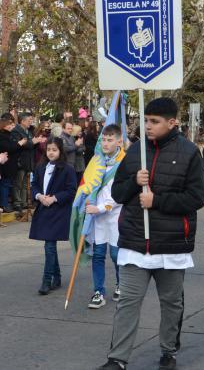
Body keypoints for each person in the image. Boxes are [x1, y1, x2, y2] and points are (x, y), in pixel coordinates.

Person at [97, 98, 204, 370]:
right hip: (135, 242)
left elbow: (196, 198)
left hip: (171, 245)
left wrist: (156, 200)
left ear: (172, 123)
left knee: (171, 303)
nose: (148, 126)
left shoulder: (190, 152)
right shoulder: (134, 153)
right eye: (146, 121)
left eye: (154, 122)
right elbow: (119, 193)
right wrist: (134, 182)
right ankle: (117, 358)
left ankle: (168, 352)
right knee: (128, 304)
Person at [29, 137, 77, 295]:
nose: (51, 152)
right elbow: (34, 185)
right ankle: (56, 277)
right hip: (44, 208)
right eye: (49, 149)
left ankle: (46, 280)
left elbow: (71, 190)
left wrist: (54, 198)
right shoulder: (41, 166)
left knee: (49, 245)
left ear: (60, 151)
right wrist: (39, 196)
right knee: (50, 245)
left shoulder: (67, 168)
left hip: (59, 210)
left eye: (54, 150)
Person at [86, 124, 125, 308]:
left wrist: (100, 208)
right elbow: (87, 183)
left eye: (110, 140)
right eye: (103, 139)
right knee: (98, 255)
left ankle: (121, 284)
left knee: (117, 255)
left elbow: (120, 195)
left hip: (115, 216)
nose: (106, 143)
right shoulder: (96, 160)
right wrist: (85, 198)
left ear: (119, 141)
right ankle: (98, 292)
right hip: (97, 217)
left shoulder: (124, 163)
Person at [12, 113, 43, 221]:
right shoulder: (16, 131)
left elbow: (31, 145)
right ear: (22, 121)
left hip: (28, 161)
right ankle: (18, 202)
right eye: (29, 120)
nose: (31, 122)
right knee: (18, 182)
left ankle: (25, 202)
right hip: (20, 160)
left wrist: (36, 142)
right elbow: (21, 145)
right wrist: (32, 142)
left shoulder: (29, 131)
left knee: (26, 183)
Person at [0, 117, 26, 211]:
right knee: (4, 184)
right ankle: (3, 204)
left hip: (11, 163)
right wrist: (19, 144)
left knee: (7, 184)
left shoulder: (9, 135)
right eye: (9, 124)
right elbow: (8, 147)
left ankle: (5, 203)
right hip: (5, 164)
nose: (11, 126)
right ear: (3, 126)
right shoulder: (1, 136)